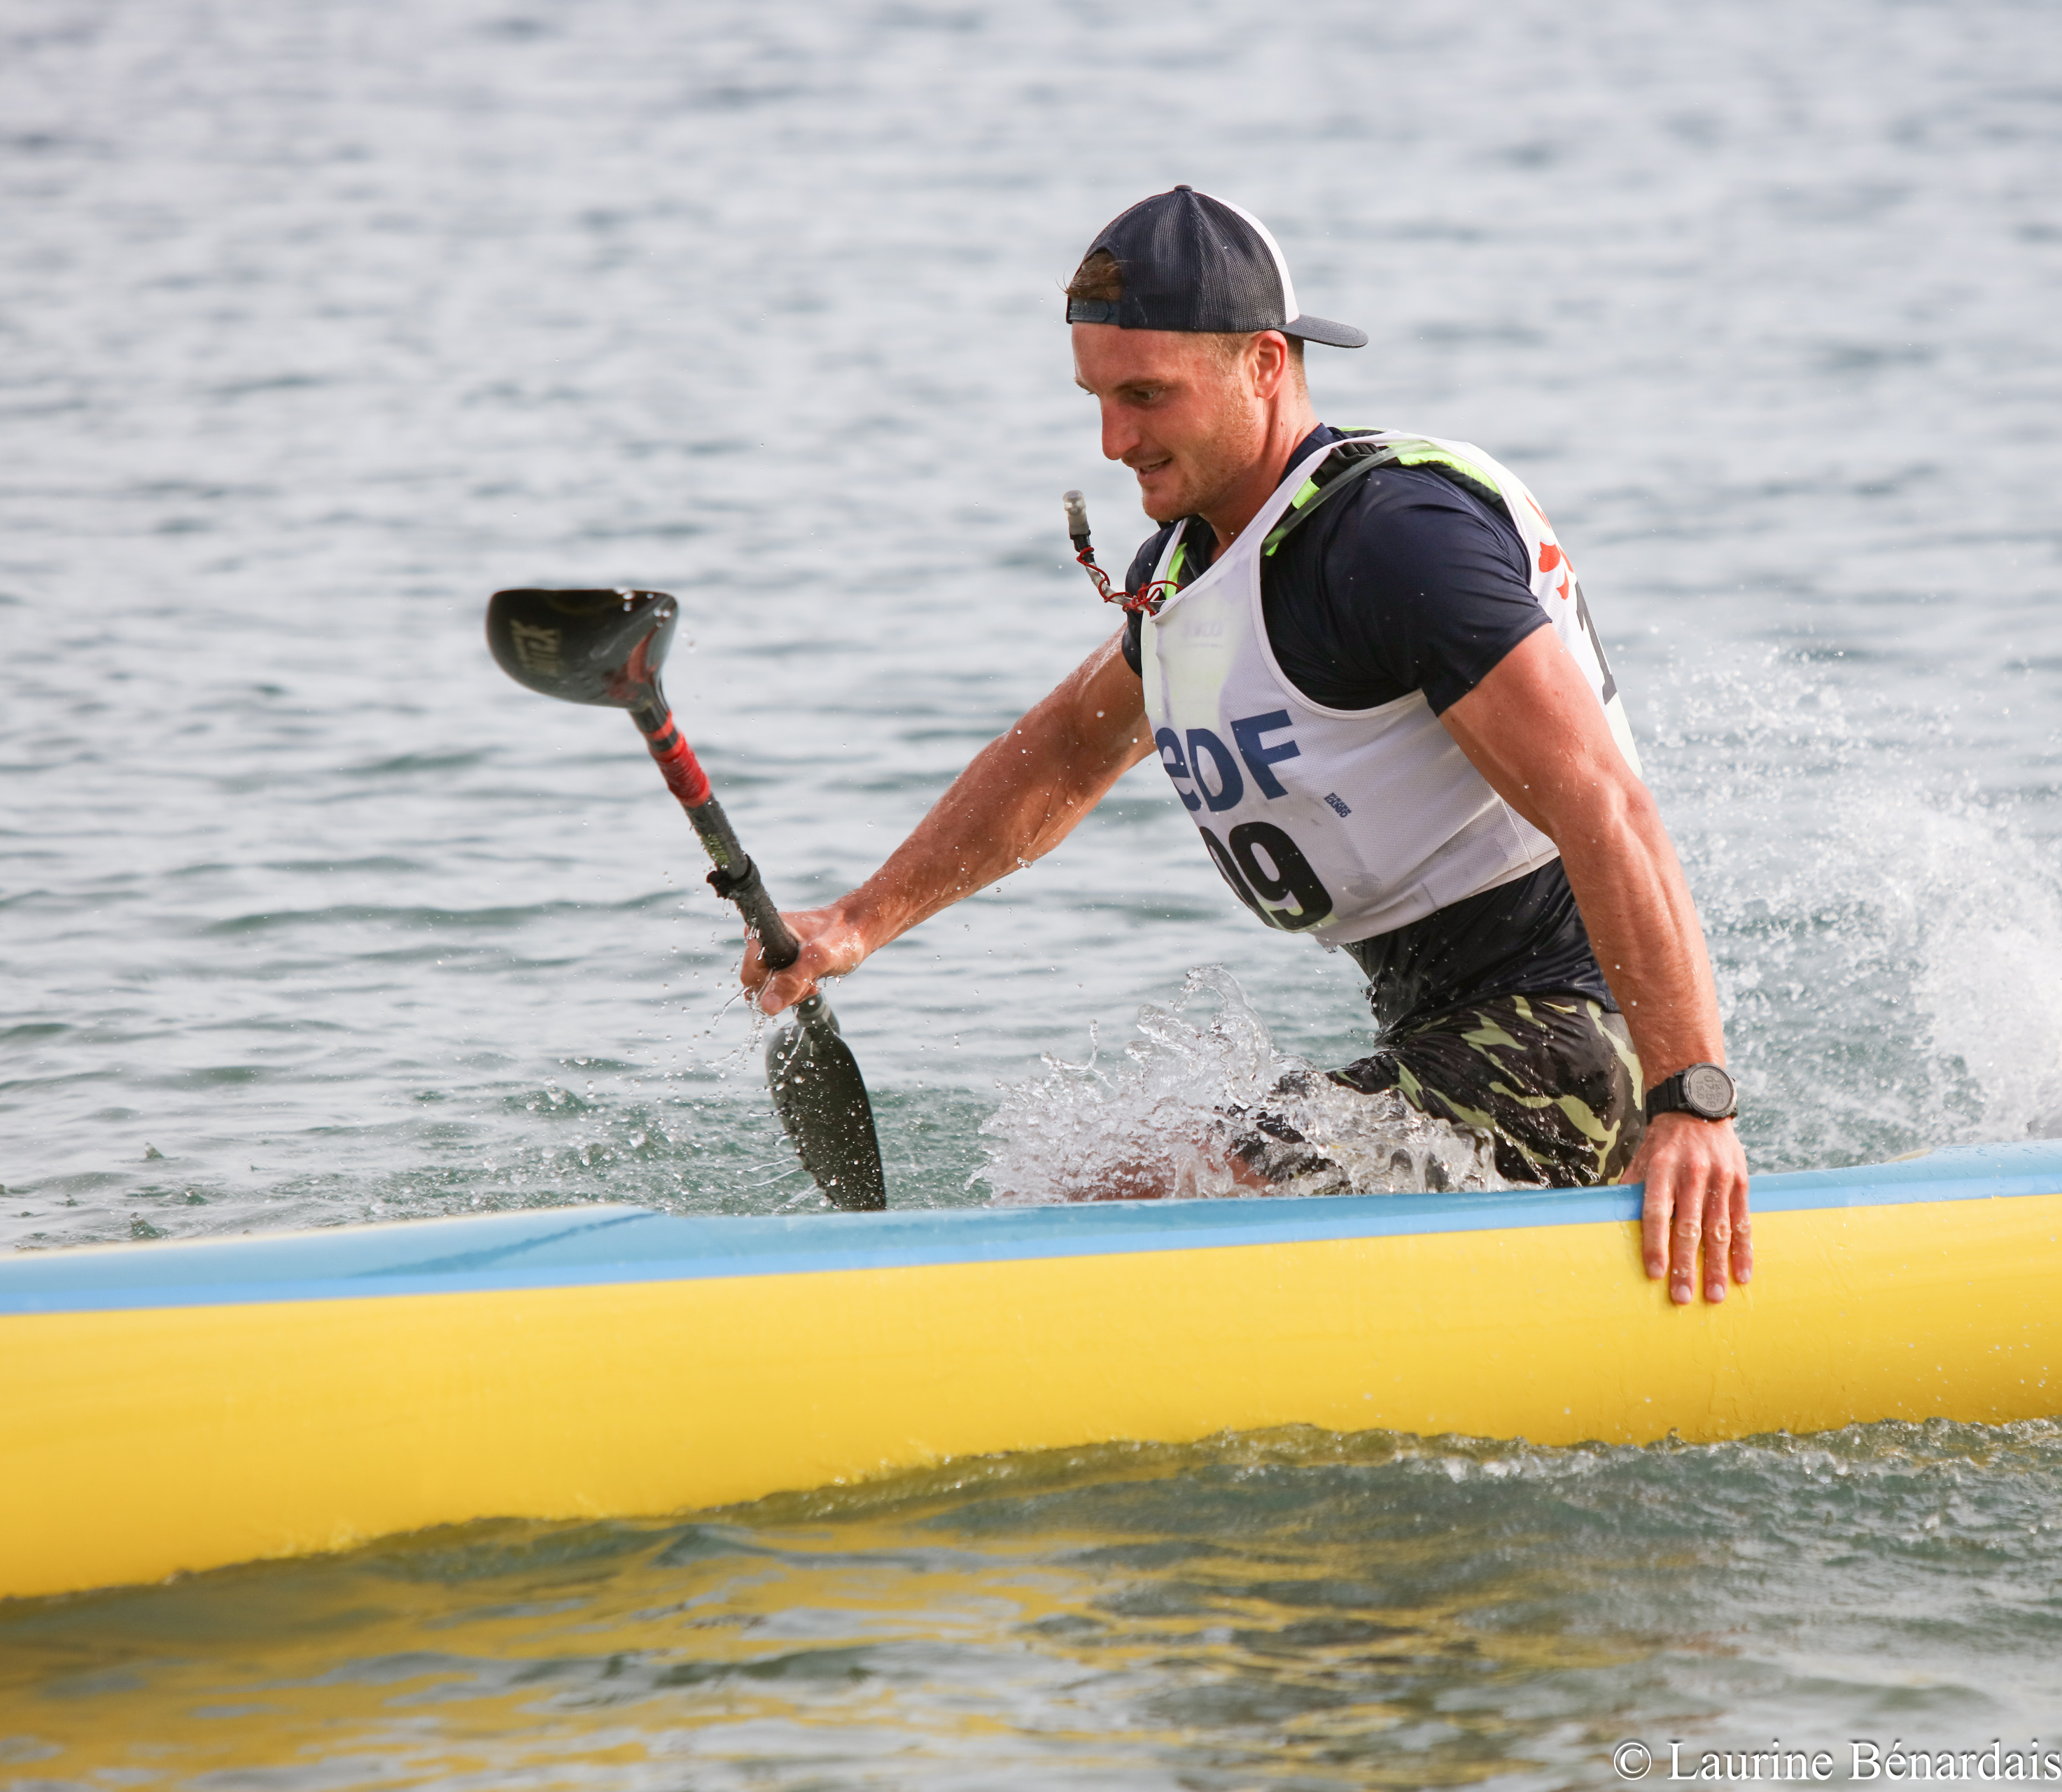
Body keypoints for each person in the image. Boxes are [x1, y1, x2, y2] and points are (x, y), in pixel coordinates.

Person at [745, 186, 1751, 1306]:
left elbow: (1602, 804)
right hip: (1442, 1035)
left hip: (1570, 1043)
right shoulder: (1193, 563)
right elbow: (1063, 754)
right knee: (1079, 1185)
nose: (1113, 441)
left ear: (1264, 364)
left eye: (1145, 395)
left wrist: (1690, 1103)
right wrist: (858, 923)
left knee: (1154, 1199)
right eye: (1095, 399)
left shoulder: (1394, 540)